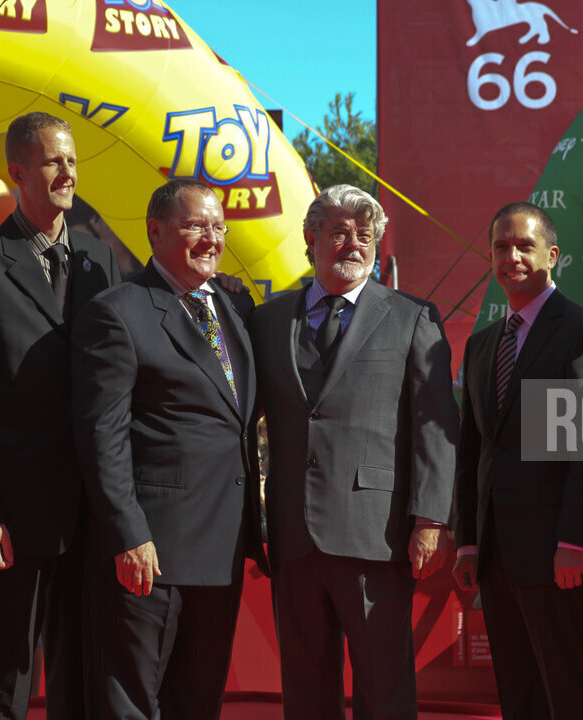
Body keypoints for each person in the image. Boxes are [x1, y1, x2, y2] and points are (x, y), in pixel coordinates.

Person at [0, 112, 122, 720]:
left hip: (93, 518)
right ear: (17, 172)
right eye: (51, 161)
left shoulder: (99, 261)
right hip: (12, 520)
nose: (67, 171)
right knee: (2, 683)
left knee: (82, 679)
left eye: (71, 160)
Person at [249, 184, 458, 720]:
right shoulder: (268, 321)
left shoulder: (414, 317)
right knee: (305, 689)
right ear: (310, 239)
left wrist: (430, 520)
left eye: (364, 235)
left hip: (377, 536)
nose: (352, 245)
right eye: (339, 233)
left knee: (383, 688)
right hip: (293, 540)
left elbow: (435, 428)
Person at [71, 178, 267, 720]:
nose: (210, 238)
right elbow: (101, 435)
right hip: (151, 552)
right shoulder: (119, 311)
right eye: (195, 226)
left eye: (218, 227)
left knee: (198, 702)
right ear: (155, 231)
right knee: (132, 703)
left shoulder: (234, 308)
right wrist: (128, 532)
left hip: (223, 548)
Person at [452, 201, 583, 720]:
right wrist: (469, 542)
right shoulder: (481, 346)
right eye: (502, 246)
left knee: (572, 692)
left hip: (559, 555)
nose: (512, 256)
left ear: (552, 254)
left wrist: (575, 541)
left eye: (524, 245)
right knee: (519, 694)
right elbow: (473, 449)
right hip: (497, 554)